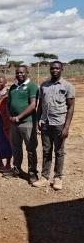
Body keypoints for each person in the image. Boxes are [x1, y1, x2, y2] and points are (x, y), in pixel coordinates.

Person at [33, 61, 75, 190]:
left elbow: (71, 107)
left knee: (59, 152)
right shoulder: (44, 85)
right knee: (46, 151)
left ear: (62, 69)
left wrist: (66, 127)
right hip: (45, 123)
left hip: (59, 124)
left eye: (57, 68)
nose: (54, 70)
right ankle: (45, 177)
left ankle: (58, 177)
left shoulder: (67, 86)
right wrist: (37, 122)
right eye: (52, 68)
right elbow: (40, 105)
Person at [3, 65, 39, 184]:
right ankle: (17, 170)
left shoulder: (32, 86)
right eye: (17, 73)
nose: (19, 75)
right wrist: (10, 116)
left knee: (31, 149)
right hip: (14, 123)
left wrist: (19, 117)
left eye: (22, 73)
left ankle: (32, 173)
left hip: (27, 122)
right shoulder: (13, 87)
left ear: (27, 73)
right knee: (16, 148)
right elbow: (8, 104)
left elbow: (33, 105)